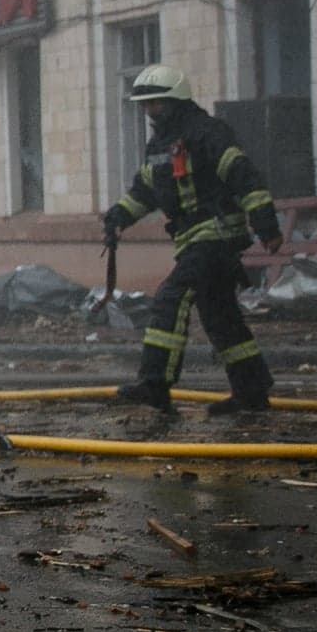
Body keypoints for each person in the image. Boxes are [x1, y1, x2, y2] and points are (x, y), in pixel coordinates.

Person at [103, 64, 284, 416]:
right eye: (145, 104)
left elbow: (243, 177)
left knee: (172, 297)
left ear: (177, 100)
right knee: (219, 316)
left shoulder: (207, 133)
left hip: (216, 233)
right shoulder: (158, 145)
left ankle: (155, 383)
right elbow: (145, 192)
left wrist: (267, 227)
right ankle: (252, 391)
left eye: (156, 103)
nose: (149, 111)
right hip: (191, 238)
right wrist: (118, 217)